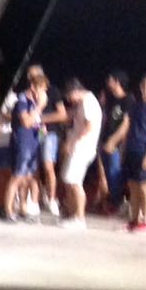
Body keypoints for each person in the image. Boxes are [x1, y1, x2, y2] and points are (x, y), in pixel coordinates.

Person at [105, 73, 146, 233]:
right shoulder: (136, 106)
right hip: (131, 149)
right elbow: (126, 127)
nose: (145, 89)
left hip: (144, 150)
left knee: (145, 185)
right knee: (133, 186)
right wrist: (117, 145)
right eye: (143, 86)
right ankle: (133, 221)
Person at [58, 78, 102, 228]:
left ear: (76, 91)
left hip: (83, 148)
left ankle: (79, 217)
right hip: (77, 147)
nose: (69, 100)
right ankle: (72, 214)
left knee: (75, 181)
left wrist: (72, 141)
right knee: (68, 179)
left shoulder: (89, 102)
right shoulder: (83, 103)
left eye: (69, 96)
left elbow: (88, 126)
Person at [7, 73, 46, 222]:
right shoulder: (23, 100)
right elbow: (26, 122)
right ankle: (9, 210)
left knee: (27, 178)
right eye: (42, 89)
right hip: (23, 142)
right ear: (33, 87)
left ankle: (23, 209)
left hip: (33, 143)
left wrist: (42, 131)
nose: (44, 94)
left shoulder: (35, 104)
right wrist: (40, 106)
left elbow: (37, 124)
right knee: (17, 176)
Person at [32, 66, 67, 216]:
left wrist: (41, 119)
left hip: (50, 132)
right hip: (36, 132)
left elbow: (62, 114)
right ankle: (35, 199)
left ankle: (52, 198)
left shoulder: (53, 91)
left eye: (33, 75)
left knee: (48, 165)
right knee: (34, 166)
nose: (31, 79)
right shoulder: (31, 93)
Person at [95, 70, 131, 214]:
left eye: (110, 79)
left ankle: (117, 203)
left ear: (117, 81)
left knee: (115, 173)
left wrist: (113, 141)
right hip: (104, 140)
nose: (108, 82)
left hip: (117, 144)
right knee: (105, 174)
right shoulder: (110, 99)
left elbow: (126, 124)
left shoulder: (128, 99)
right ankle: (107, 202)